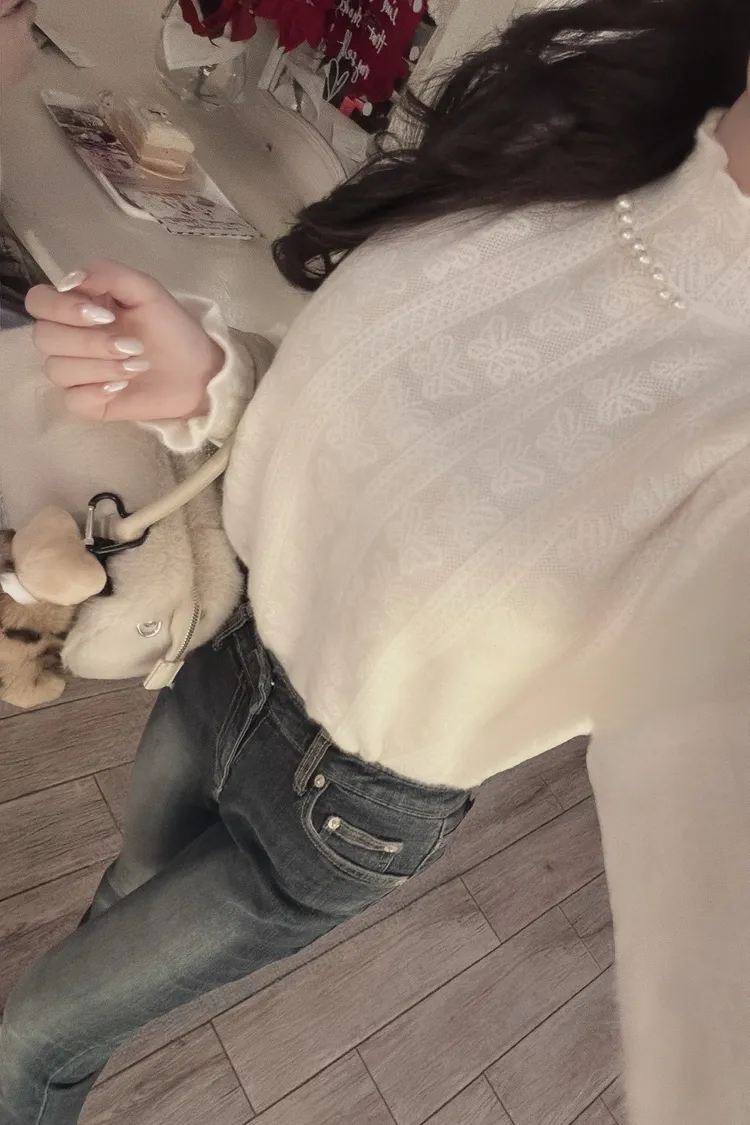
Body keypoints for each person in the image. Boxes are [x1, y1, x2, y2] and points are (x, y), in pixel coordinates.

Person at [1, 0, 750, 1121]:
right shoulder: (584, 115)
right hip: (232, 652)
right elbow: (390, 440)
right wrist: (216, 378)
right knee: (124, 890)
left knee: (30, 1034)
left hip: (345, 801)